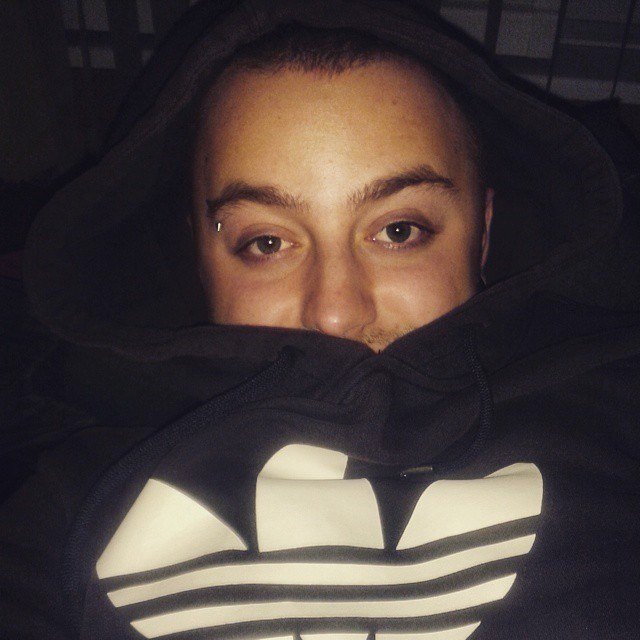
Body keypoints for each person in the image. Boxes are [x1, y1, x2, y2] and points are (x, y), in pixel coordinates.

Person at [1, 1, 640, 639]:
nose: (334, 312)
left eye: (399, 230)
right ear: (198, 256)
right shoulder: (74, 496)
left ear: (483, 235)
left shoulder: (614, 409)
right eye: (267, 243)